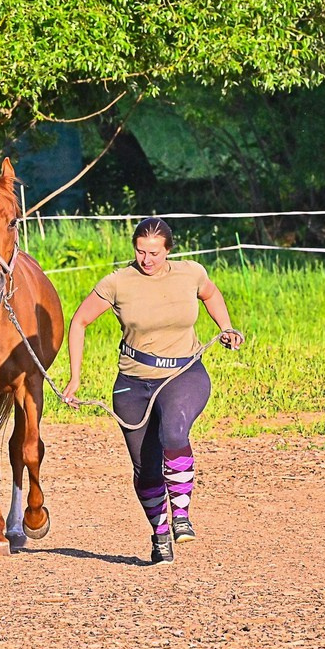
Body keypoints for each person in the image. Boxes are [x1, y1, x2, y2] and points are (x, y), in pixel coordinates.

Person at [62, 217, 242, 564]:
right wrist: (75, 377)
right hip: (132, 383)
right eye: (141, 252)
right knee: (145, 467)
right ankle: (160, 536)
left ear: (168, 250)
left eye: (155, 253)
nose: (147, 260)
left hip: (184, 374)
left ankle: (182, 516)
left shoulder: (190, 273)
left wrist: (227, 327)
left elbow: (211, 293)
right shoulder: (117, 283)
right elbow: (80, 321)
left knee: (173, 430)